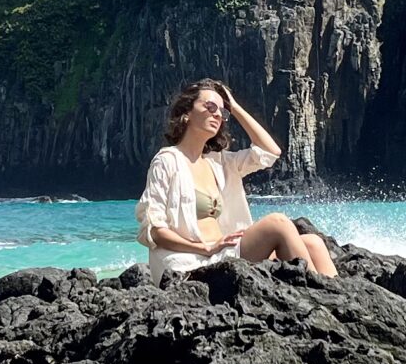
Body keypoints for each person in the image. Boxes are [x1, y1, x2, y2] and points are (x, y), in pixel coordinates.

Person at [136, 79, 338, 279]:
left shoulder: (219, 162)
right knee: (278, 222)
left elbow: (270, 152)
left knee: (313, 243)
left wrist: (234, 107)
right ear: (186, 113)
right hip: (191, 262)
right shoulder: (167, 161)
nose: (217, 114)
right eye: (210, 107)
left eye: (222, 112)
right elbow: (154, 230)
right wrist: (205, 248)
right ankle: (317, 289)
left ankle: (334, 294)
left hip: (223, 253)